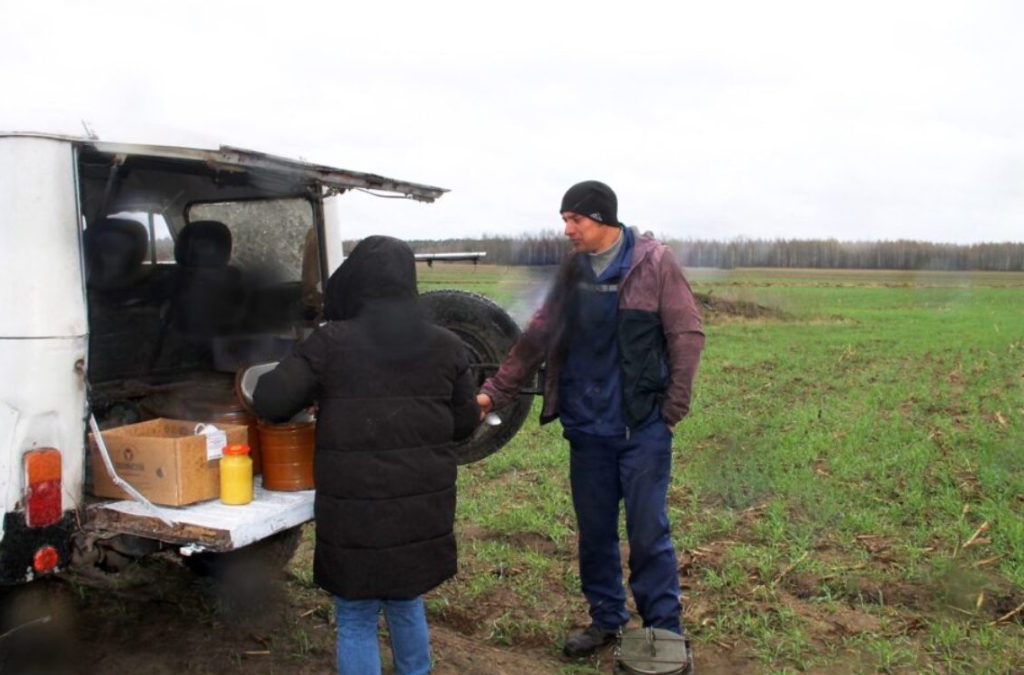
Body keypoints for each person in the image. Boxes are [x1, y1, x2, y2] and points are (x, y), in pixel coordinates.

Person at [477, 181, 704, 661]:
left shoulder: (653, 263)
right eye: (564, 219)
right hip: (587, 428)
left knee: (648, 533)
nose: (567, 229)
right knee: (595, 533)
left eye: (574, 219)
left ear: (601, 219)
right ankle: (606, 619)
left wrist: (672, 410)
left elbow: (686, 334)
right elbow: (539, 334)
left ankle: (663, 632)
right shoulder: (573, 269)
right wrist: (495, 391)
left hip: (641, 428)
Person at [252, 235, 480, 675]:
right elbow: (464, 423)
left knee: (356, 614)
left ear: (355, 280)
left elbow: (271, 401)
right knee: (406, 598)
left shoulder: (331, 342)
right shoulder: (448, 345)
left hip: (355, 509)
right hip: (421, 506)